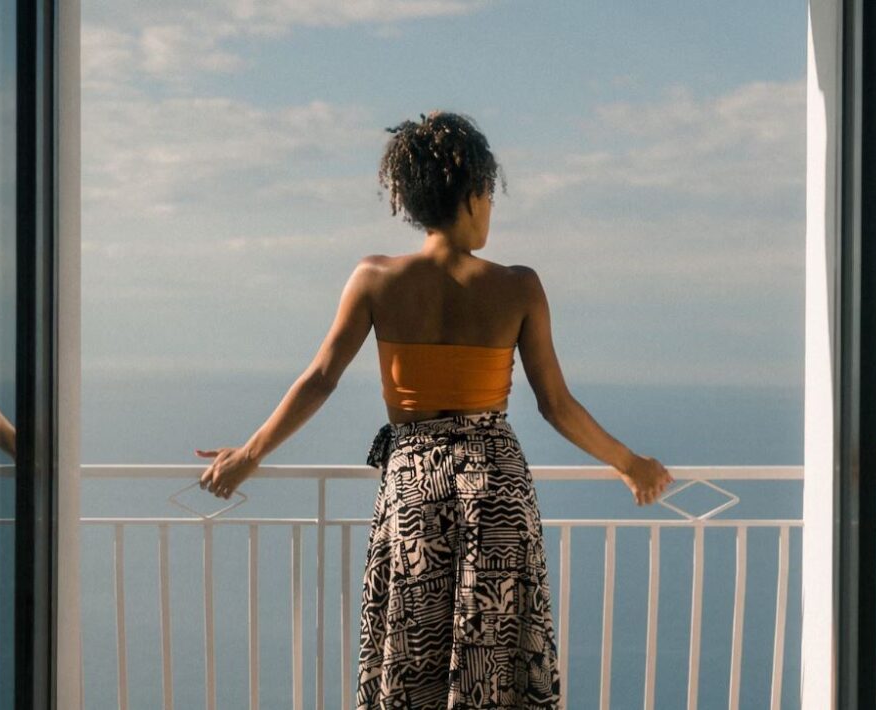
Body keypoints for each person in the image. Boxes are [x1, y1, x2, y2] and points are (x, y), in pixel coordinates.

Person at [195, 110, 673, 709]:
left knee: (412, 657)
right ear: (474, 195)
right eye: (490, 197)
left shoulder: (374, 278)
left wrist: (248, 454)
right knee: (495, 659)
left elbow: (320, 379)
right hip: (496, 488)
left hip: (416, 489)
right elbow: (556, 405)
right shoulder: (519, 286)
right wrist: (631, 464)